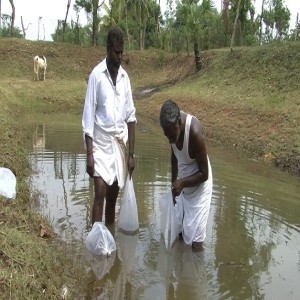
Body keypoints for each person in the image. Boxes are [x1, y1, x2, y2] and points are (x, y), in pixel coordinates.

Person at [82, 25, 136, 225]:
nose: (119, 57)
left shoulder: (125, 78)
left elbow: (131, 116)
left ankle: (109, 239)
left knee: (112, 198)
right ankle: (97, 242)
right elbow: (88, 118)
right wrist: (89, 155)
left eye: (122, 53)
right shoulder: (97, 76)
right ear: (107, 49)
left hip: (119, 145)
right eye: (116, 52)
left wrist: (131, 154)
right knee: (100, 194)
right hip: (100, 144)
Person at [160, 99, 213, 251]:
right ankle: (181, 270)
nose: (170, 140)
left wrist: (182, 183)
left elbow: (204, 174)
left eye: (171, 135)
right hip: (184, 181)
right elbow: (174, 157)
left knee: (195, 243)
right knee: (182, 233)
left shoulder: (194, 131)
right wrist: (174, 186)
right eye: (167, 137)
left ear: (179, 122)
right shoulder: (172, 130)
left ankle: (196, 271)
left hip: (199, 186)